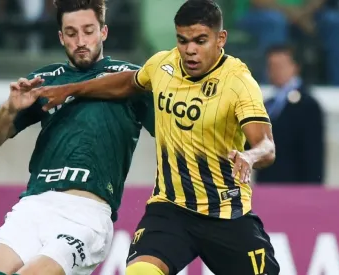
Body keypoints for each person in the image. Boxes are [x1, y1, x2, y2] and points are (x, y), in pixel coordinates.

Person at [36, 0, 280, 274]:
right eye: (183, 40)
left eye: (200, 41)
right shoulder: (163, 65)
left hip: (226, 214)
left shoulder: (239, 83)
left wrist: (250, 155)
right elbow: (128, 82)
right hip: (170, 210)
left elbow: (266, 145)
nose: (189, 50)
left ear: (220, 38)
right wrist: (72, 89)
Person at [0, 0, 154, 274]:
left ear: (103, 32)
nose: (81, 41)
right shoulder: (45, 80)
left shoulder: (131, 80)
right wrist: (9, 108)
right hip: (34, 205)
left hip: (85, 216)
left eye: (88, 31)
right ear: (61, 37)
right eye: (71, 33)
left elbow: (170, 132)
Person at [256, 44, 324, 184]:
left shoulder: (307, 104)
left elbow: (313, 156)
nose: (276, 71)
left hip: (295, 189)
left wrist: (313, 194)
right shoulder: (267, 104)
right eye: (271, 66)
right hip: (268, 186)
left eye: (280, 66)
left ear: (295, 67)